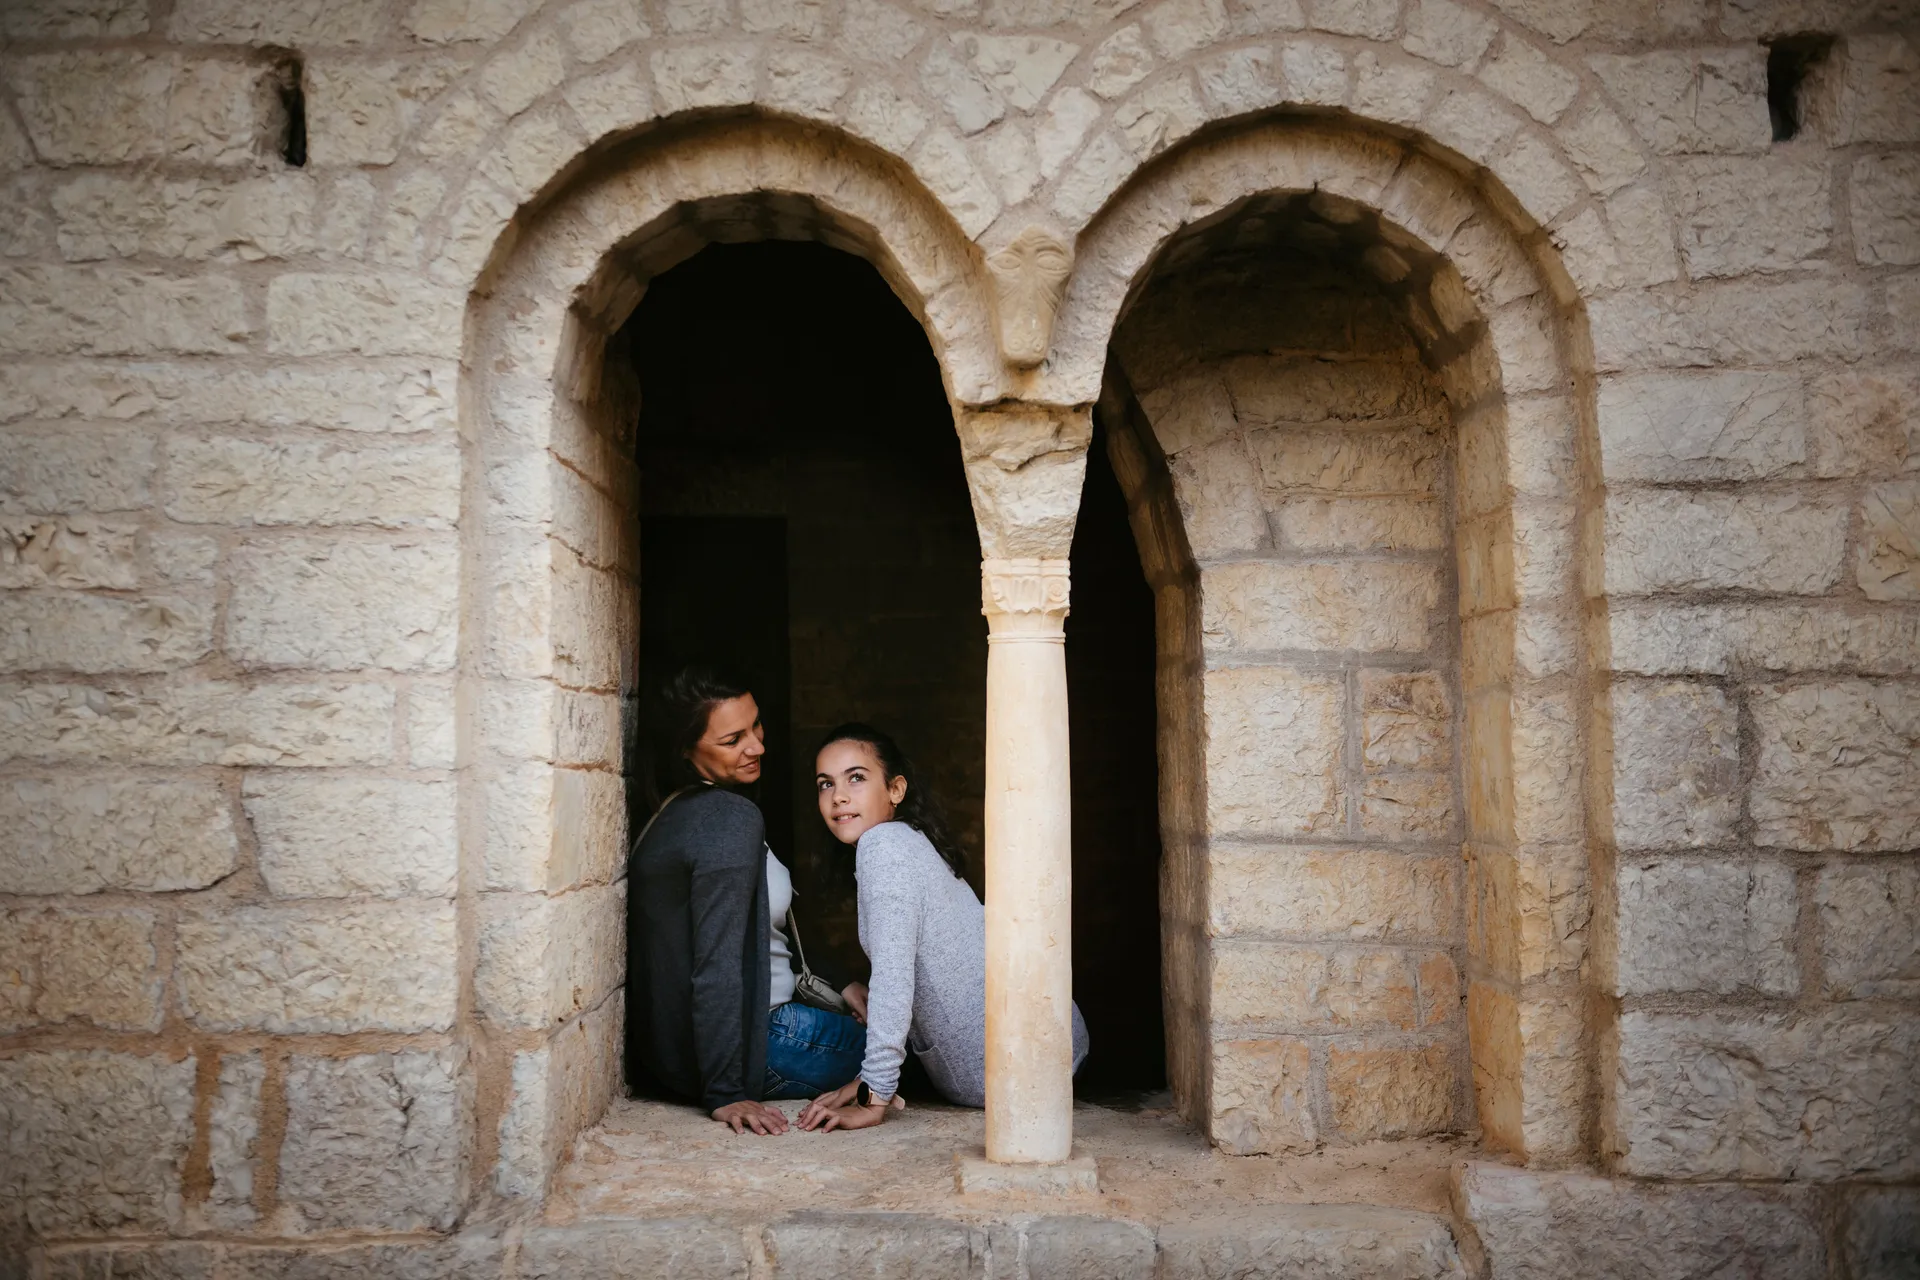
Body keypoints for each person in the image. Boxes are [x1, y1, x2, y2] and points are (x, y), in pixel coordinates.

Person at [798, 724, 1089, 1132]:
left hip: (1000, 1075)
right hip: (1050, 1050)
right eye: (825, 784)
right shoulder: (909, 839)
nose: (838, 796)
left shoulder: (883, 847)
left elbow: (893, 977)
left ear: (896, 790)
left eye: (857, 778)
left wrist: (873, 1095)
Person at [626, 667, 867, 1136]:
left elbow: (768, 932)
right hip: (764, 1041)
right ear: (685, 748)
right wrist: (726, 1090)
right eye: (732, 739)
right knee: (914, 1049)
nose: (757, 746)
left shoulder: (675, 814)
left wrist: (839, 986)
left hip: (713, 1049)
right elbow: (717, 960)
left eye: (755, 725)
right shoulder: (727, 818)